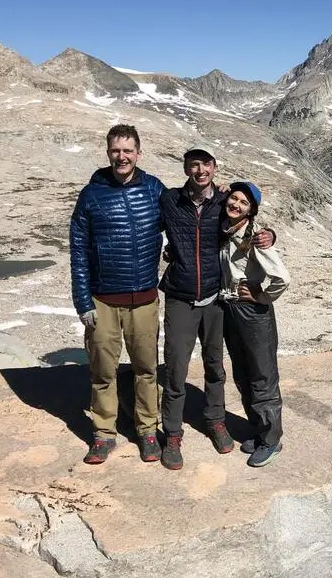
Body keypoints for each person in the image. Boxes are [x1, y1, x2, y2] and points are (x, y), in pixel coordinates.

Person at [157, 149, 274, 470]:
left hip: (215, 298)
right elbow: (149, 227)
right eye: (193, 164)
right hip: (180, 297)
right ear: (185, 168)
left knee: (215, 367)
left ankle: (216, 421)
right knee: (176, 368)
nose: (200, 170)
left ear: (214, 168)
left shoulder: (223, 202)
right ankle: (173, 434)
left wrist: (270, 235)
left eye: (205, 164)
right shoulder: (169, 200)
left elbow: (249, 218)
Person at [69, 124, 165, 465]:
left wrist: (219, 195)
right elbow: (78, 250)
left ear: (139, 152)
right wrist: (83, 301)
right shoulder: (91, 195)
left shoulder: (154, 189)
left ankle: (148, 431)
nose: (121, 157)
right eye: (115, 151)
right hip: (103, 299)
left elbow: (186, 223)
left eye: (128, 150)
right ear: (108, 152)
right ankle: (103, 434)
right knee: (102, 372)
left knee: (147, 370)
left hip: (144, 299)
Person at [218, 181, 291, 467]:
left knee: (262, 375)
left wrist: (261, 295)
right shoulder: (225, 230)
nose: (236, 204)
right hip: (231, 309)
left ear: (252, 211)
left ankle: (272, 440)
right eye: (233, 198)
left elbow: (282, 278)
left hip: (253, 313)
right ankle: (260, 431)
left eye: (243, 202)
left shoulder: (255, 238)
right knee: (242, 372)